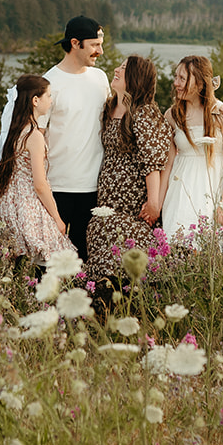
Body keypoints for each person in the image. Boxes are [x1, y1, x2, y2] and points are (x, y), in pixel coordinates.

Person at [85, 55, 171, 281]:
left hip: (133, 202)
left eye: (123, 68)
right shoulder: (111, 107)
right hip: (109, 200)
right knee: (104, 244)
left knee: (125, 252)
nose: (116, 70)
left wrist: (153, 203)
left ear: (134, 77)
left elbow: (152, 161)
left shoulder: (143, 112)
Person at [0, 74, 77, 266]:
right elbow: (39, 184)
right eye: (49, 96)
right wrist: (57, 218)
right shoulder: (34, 135)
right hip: (28, 205)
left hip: (10, 203)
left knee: (17, 265)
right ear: (35, 100)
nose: (51, 100)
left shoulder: (15, 132)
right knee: (49, 262)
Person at [42, 15, 109, 261]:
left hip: (95, 188)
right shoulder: (49, 83)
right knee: (52, 264)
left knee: (87, 263)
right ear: (74, 43)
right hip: (58, 188)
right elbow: (36, 138)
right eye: (94, 45)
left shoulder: (101, 79)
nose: (100, 51)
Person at [160, 55, 223, 249]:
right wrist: (157, 203)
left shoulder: (221, 112)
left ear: (198, 82)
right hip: (181, 190)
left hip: (215, 189)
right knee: (180, 249)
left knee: (217, 253)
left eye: (182, 78)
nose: (175, 83)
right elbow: (168, 164)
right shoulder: (172, 115)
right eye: (176, 77)